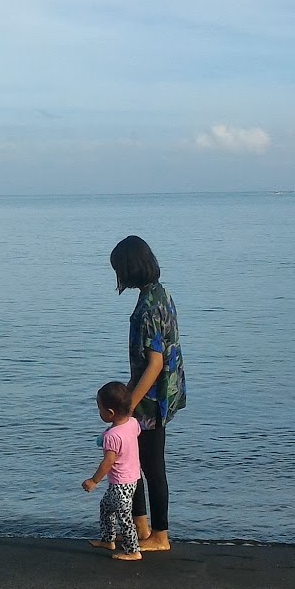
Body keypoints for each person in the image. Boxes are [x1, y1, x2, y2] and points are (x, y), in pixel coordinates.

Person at [109, 235, 186, 552]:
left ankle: (161, 535)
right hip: (161, 393)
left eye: (119, 270)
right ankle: (141, 526)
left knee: (151, 466)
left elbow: (155, 363)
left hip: (152, 399)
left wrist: (130, 403)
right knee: (133, 459)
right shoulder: (160, 293)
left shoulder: (150, 308)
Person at [83, 381, 143, 561]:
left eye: (100, 409)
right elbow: (132, 434)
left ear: (110, 413)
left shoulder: (111, 437)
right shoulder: (132, 423)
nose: (99, 412)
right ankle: (108, 539)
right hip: (133, 478)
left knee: (124, 516)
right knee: (106, 507)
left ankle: (133, 551)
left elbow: (108, 462)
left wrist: (94, 481)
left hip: (121, 483)